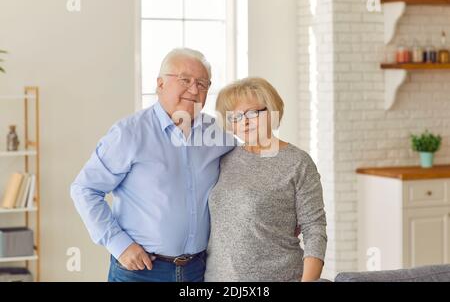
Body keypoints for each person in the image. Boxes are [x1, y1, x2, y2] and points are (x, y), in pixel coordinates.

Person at [70, 48, 234, 282]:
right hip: (140, 272)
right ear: (160, 84)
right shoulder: (129, 133)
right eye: (184, 80)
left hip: (198, 270)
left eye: (202, 83)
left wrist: (289, 211)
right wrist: (119, 244)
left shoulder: (218, 134)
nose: (194, 89)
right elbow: (85, 189)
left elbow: (251, 165)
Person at [205, 77, 327, 282]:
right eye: (235, 116)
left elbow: (314, 228)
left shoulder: (298, 162)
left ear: (271, 112)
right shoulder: (224, 158)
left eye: (252, 113)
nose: (244, 122)